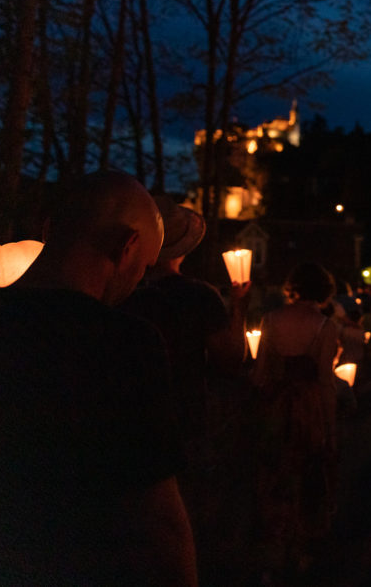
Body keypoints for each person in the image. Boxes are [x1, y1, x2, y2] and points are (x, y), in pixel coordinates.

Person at [0, 171, 196, 584]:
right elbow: (158, 520)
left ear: (48, 229)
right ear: (126, 247)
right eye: (142, 269)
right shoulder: (124, 345)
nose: (138, 282)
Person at [121, 194, 250, 581]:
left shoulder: (126, 297)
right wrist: (240, 304)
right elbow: (230, 358)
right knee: (188, 514)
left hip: (131, 421)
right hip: (186, 419)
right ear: (183, 249)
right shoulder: (199, 296)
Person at [252, 262, 339, 578]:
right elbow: (326, 383)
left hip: (276, 407)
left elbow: (260, 374)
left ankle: (272, 552)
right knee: (307, 477)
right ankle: (300, 551)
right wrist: (331, 430)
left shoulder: (271, 319)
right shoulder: (324, 327)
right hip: (308, 409)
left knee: (276, 476)